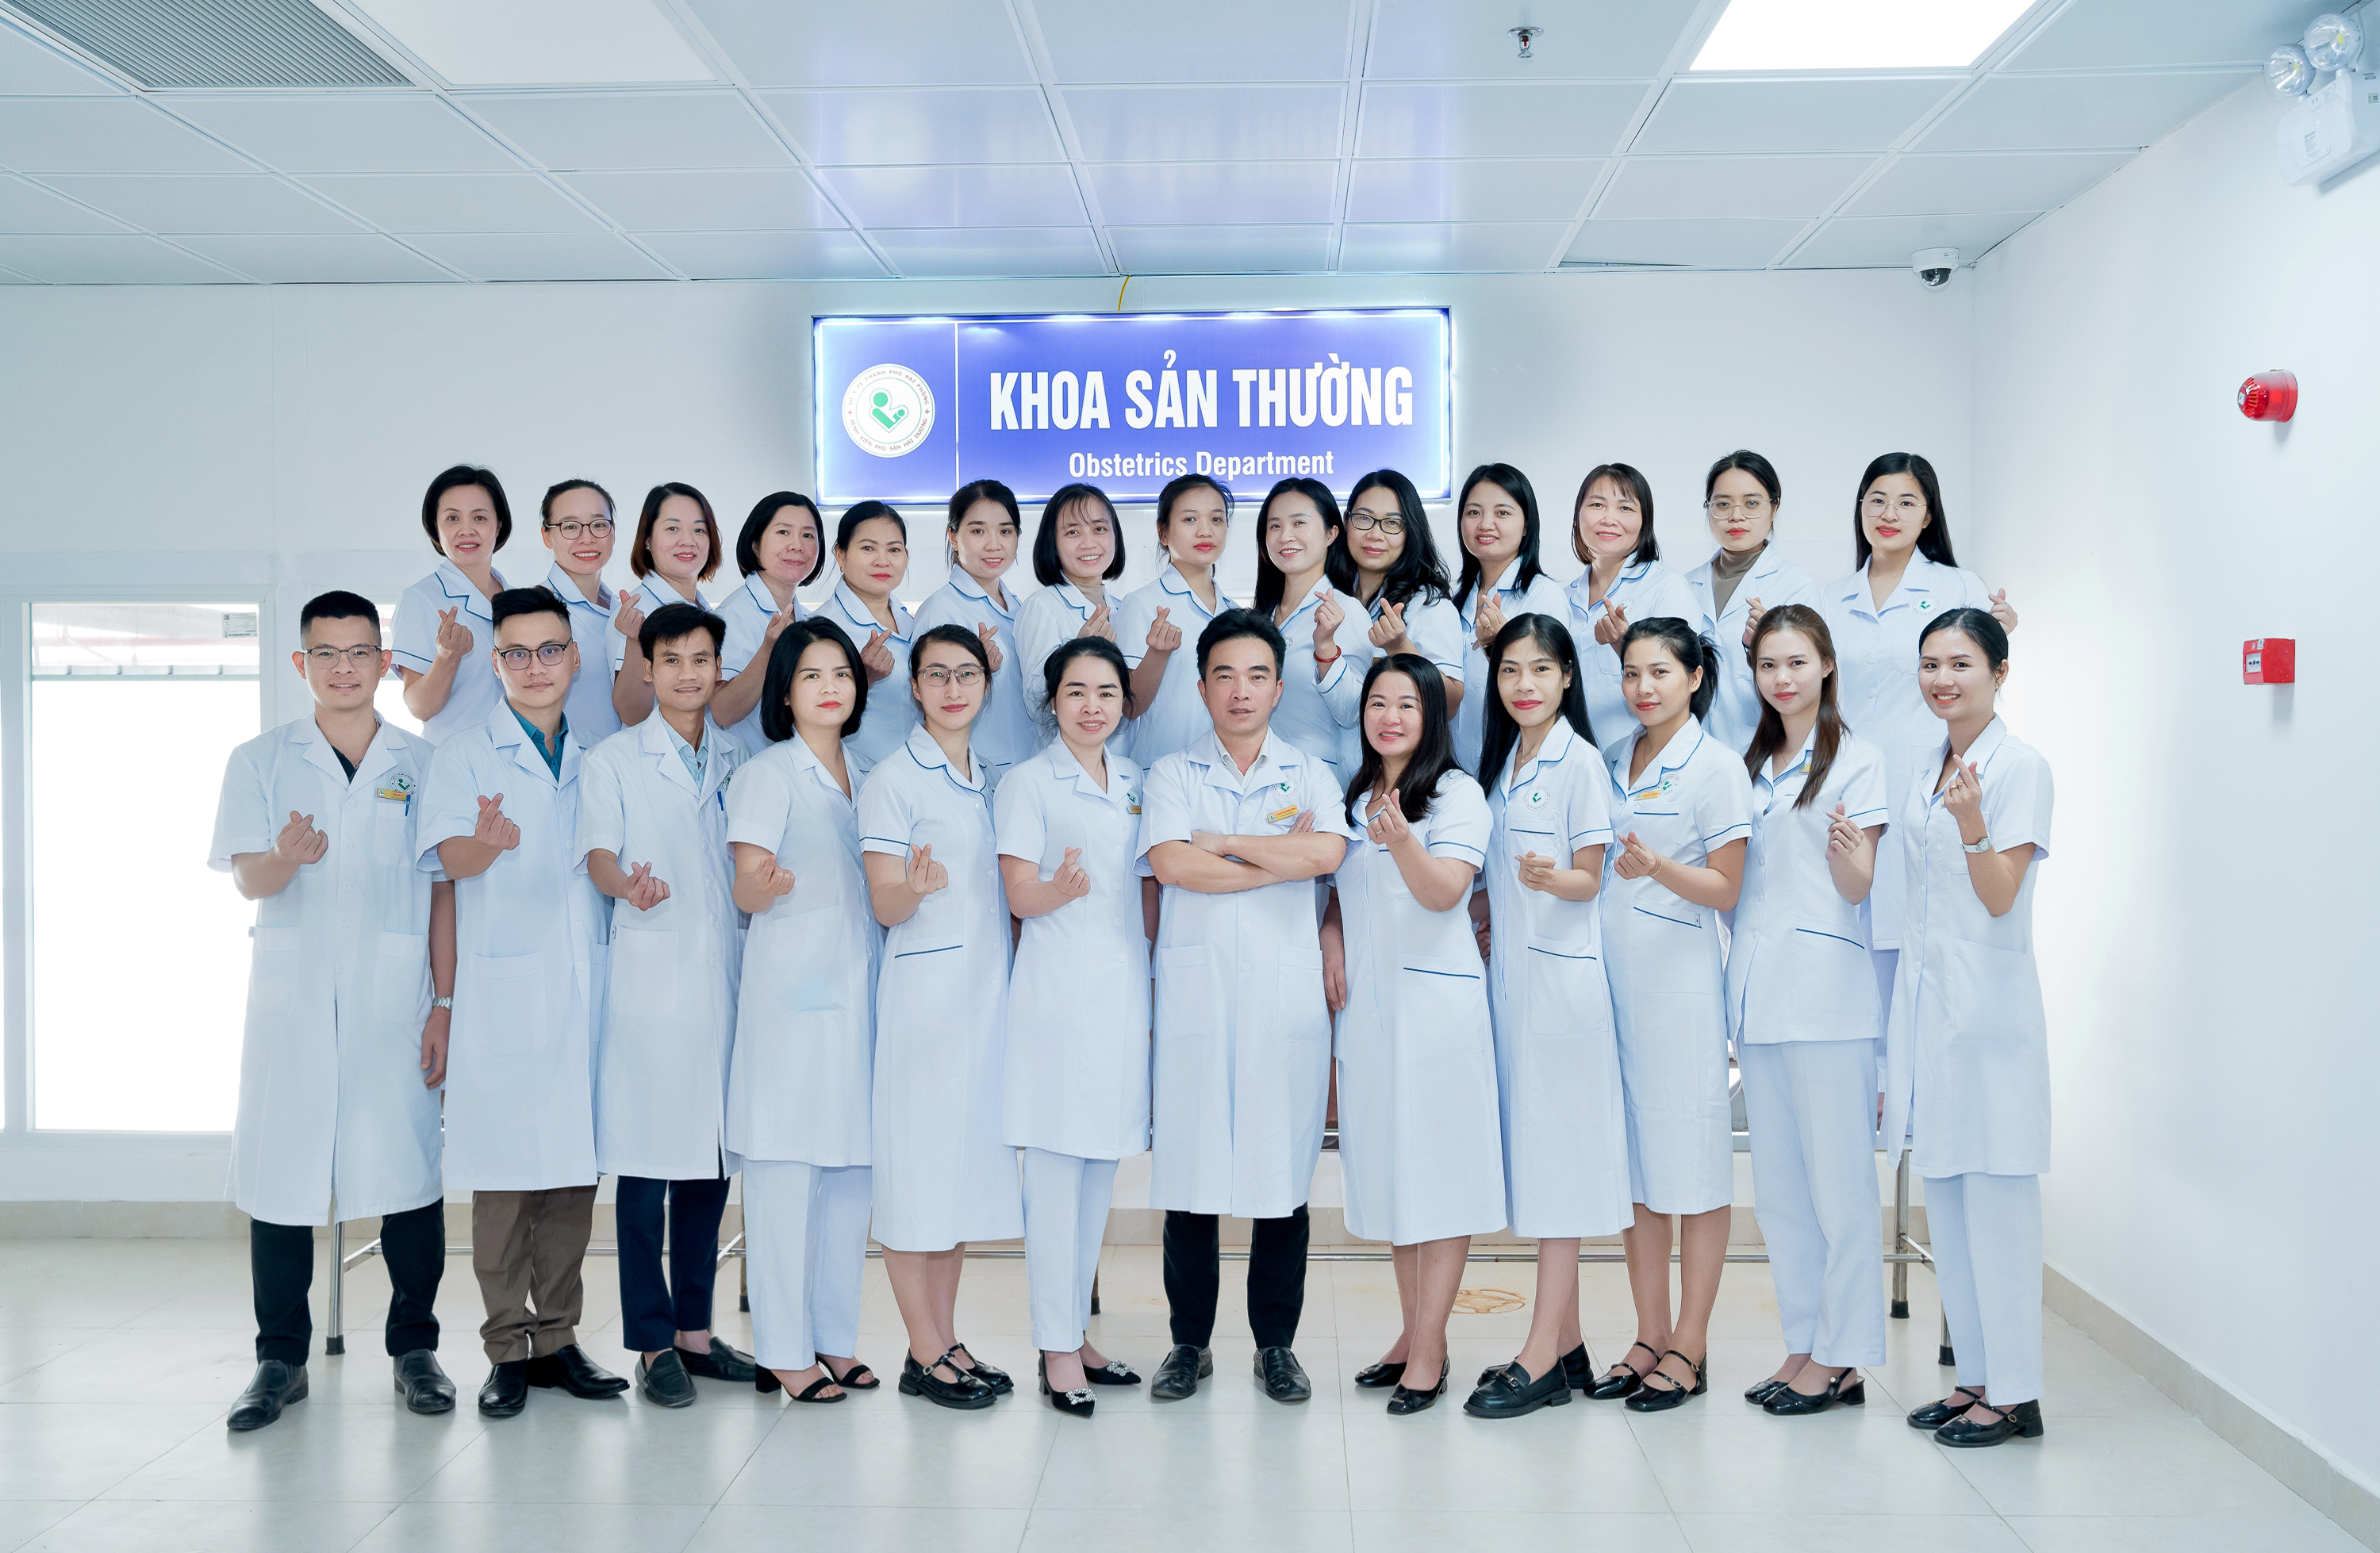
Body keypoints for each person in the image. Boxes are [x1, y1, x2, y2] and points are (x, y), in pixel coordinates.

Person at [210, 592, 455, 1431]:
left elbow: (443, 892)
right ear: (301, 663)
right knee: (283, 1175)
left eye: (359, 652)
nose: (344, 667)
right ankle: (279, 1360)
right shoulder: (259, 760)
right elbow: (248, 878)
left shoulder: (422, 764)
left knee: (410, 1174)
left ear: (385, 662)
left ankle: (415, 1350)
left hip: (398, 1000)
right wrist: (283, 856)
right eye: (327, 653)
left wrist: (444, 1005)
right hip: (295, 1002)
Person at [416, 585, 625, 1418]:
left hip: (584, 984)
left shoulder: (599, 756)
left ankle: (560, 1337)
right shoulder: (464, 755)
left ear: (574, 657)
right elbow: (446, 865)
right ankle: (507, 1346)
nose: (535, 667)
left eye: (550, 650)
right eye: (516, 653)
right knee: (503, 1176)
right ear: (496, 662)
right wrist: (485, 843)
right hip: (500, 989)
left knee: (572, 1171)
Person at [1139, 610, 1353, 1405]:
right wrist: (1275, 860)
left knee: (1281, 1175)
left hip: (1283, 998)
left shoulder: (1311, 773)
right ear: (1201, 688)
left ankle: (1276, 1346)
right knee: (1191, 1176)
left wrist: (1222, 842)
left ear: (1278, 688)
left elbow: (1327, 852)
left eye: (1256, 675)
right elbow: (1172, 865)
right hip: (1199, 996)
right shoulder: (1171, 773)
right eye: (1224, 675)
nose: (1240, 690)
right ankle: (1188, 1344)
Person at [576, 602, 756, 1408]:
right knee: (647, 1171)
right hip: (652, 983)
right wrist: (628, 887)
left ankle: (695, 1332)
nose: (688, 672)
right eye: (672, 659)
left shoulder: (739, 758)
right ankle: (651, 1343)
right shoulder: (614, 759)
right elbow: (598, 855)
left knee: (709, 1168)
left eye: (701, 658)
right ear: (646, 669)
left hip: (723, 982)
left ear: (719, 667)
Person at [1883, 608, 2053, 1448]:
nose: (1943, 679)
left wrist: (1974, 824)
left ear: (1999, 672)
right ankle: (1977, 1379)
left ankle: (2018, 1394)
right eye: (1931, 664)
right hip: (1932, 1013)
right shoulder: (1927, 765)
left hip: (1990, 1022)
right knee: (1947, 1202)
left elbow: (1998, 897)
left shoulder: (2020, 768)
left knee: (1999, 1208)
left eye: (1961, 663)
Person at [1326, 654, 1503, 1417]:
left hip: (1437, 1015)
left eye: (1407, 704)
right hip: (1369, 1012)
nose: (1390, 717)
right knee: (1393, 1171)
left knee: (1441, 1176)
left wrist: (1401, 842)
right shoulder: (1354, 796)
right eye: (1378, 702)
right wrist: (1330, 937)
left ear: (1432, 716)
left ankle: (1429, 1350)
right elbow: (1341, 896)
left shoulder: (1458, 795)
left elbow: (1443, 894)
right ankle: (1412, 1333)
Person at [1462, 614, 1630, 1419]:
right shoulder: (1508, 762)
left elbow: (1590, 877)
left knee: (1558, 1169)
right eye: (1508, 671)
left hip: (1562, 995)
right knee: (1536, 1157)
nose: (1523, 685)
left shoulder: (1580, 761)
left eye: (1539, 669)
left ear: (1568, 675)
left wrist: (1545, 878)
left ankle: (1538, 1359)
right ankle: (1568, 1344)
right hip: (1517, 986)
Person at [1728, 605, 1891, 1417]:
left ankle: (1844, 1354)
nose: (1783, 678)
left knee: (1839, 1189)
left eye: (1797, 661)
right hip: (1759, 996)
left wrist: (1854, 856)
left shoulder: (1858, 761)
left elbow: (1859, 885)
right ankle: (1804, 1343)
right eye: (1768, 664)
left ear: (1827, 664)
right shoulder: (1753, 761)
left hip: (1827, 999)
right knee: (1782, 1193)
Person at [858, 626, 1025, 1409]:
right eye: (937, 675)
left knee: (957, 1177)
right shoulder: (894, 779)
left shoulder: (989, 779)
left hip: (983, 1001)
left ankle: (947, 1338)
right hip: (925, 1007)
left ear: (987, 684)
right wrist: (913, 889)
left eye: (967, 674)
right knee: (916, 1176)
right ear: (915, 686)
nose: (953, 689)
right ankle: (923, 1351)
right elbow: (883, 902)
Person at [1595, 618, 1752, 1412]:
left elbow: (1727, 886)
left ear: (1694, 677)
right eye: (1632, 672)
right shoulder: (1612, 757)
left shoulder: (1716, 766)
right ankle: (1649, 1332)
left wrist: (1659, 866)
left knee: (1692, 1162)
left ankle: (1691, 1342)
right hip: (1614, 984)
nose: (1644, 686)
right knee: (1639, 1167)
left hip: (1681, 987)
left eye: (1660, 671)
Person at [727, 618, 882, 1405]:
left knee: (851, 1175)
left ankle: (833, 1338)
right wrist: (766, 887)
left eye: (842, 673)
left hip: (859, 999)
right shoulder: (769, 774)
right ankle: (785, 1352)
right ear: (785, 693)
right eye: (811, 674)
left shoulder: (871, 773)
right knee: (787, 1178)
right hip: (792, 1003)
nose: (829, 687)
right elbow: (745, 884)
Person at [996, 639, 1151, 1417]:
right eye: (1076, 692)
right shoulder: (1027, 783)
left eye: (1107, 692)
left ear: (1125, 702)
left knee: (1099, 1171)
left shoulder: (1136, 782)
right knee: (1057, 1176)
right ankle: (1055, 1347)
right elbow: (1018, 893)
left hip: (1122, 995)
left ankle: (1077, 1333)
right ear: (1051, 701)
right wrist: (1057, 888)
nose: (1092, 706)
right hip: (1057, 999)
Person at [1816, 453, 2018, 1009]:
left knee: (1918, 930)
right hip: (1844, 776)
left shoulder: (1958, 586)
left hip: (1926, 775)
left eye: (1907, 503)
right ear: (1860, 508)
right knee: (1846, 932)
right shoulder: (1830, 598)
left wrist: (2003, 630)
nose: (1890, 514)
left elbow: (1980, 677)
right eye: (1878, 500)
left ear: (1928, 515)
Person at [1332, 468, 1465, 773]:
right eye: (1364, 518)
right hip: (1335, 776)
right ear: (1346, 522)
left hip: (1399, 778)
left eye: (1392, 523)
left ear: (1411, 531)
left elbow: (1451, 703)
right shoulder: (1332, 597)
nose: (1375, 534)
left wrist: (1399, 647)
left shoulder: (1429, 605)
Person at [1682, 451, 1817, 754]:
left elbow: (1815, 683)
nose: (1736, 516)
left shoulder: (1796, 585)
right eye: (1723, 504)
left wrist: (1768, 648)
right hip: (1691, 753)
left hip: (1765, 750)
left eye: (1751, 503)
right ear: (1708, 509)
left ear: (1774, 507)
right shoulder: (1685, 586)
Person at [1564, 463, 1702, 744]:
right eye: (1597, 505)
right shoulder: (1563, 598)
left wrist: (1624, 645)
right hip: (1571, 758)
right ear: (1578, 516)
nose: (1609, 519)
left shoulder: (1667, 587)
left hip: (1640, 755)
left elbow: (1684, 684)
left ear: (1644, 521)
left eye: (1625, 508)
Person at [915, 480, 1036, 788]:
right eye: (978, 531)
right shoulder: (941, 609)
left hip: (1027, 768)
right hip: (971, 774)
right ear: (953, 537)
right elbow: (929, 700)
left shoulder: (1021, 608)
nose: (994, 544)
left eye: (1005, 531)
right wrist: (977, 672)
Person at [1449, 464, 1566, 773]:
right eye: (1474, 512)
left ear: (1526, 526)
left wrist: (1501, 647)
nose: (1485, 524)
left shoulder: (1544, 596)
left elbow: (1551, 691)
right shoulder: (1453, 602)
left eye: (1502, 513)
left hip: (1520, 770)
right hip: (1456, 774)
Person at [1118, 472, 1234, 769]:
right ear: (1164, 533)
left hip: (1224, 772)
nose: (1206, 531)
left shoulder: (1235, 615)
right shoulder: (1141, 604)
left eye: (1216, 519)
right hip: (1161, 771)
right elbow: (1128, 706)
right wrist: (1157, 654)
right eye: (1190, 519)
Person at [1251, 477, 1361, 788]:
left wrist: (1326, 650)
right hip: (1259, 781)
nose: (1286, 536)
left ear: (1331, 534)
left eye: (1299, 523)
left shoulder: (1346, 612)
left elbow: (1354, 712)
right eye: (1274, 526)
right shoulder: (1260, 618)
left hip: (1319, 785)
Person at [393, 465, 512, 744]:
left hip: (517, 758)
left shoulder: (519, 600)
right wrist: (447, 657)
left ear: (499, 524)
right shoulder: (420, 599)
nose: (466, 530)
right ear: (435, 529)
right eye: (452, 518)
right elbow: (420, 707)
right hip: (454, 760)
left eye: (480, 518)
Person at [713, 491, 826, 748]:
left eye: (808, 535)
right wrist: (768, 651)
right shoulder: (733, 614)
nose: (797, 545)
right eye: (783, 532)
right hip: (749, 764)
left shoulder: (807, 618)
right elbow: (722, 712)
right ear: (755, 545)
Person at [1012, 483, 1125, 728]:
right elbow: (1035, 706)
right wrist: (1076, 652)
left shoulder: (1124, 609)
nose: (1089, 543)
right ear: (1052, 542)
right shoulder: (1041, 607)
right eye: (1073, 532)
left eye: (1099, 529)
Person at [813, 500, 917, 765]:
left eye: (894, 549)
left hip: (916, 772)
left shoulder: (911, 621)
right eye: (868, 548)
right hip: (860, 774)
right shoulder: (821, 628)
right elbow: (808, 720)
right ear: (841, 555)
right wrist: (862, 678)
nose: (882, 561)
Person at [613, 481, 724, 729]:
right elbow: (631, 714)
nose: (688, 541)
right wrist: (635, 641)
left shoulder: (706, 611)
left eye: (699, 530)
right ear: (647, 540)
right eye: (673, 528)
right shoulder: (635, 612)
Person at [536, 478, 627, 749]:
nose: (587, 538)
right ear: (547, 536)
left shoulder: (622, 608)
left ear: (613, 532)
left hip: (622, 765)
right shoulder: (535, 611)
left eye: (598, 524)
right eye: (570, 527)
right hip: (565, 764)